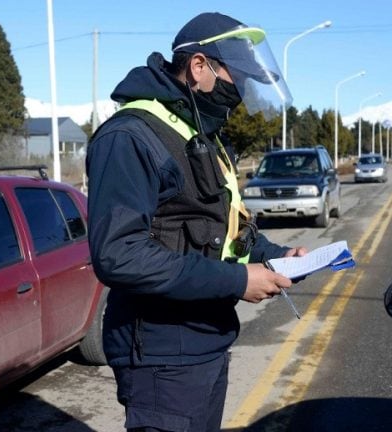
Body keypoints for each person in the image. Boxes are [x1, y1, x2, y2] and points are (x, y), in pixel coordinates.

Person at [86, 12, 308, 432]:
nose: (239, 90)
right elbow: (119, 255)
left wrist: (278, 258)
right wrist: (239, 281)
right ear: (199, 65)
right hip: (161, 355)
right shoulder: (131, 137)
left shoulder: (199, 134)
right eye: (234, 77)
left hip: (206, 339)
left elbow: (226, 229)